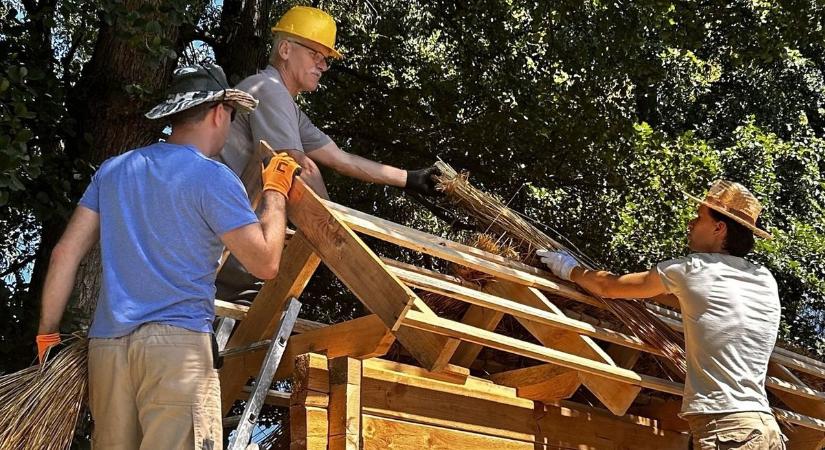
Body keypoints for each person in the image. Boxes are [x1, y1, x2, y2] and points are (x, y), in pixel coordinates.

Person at [35, 65, 301, 450]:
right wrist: (275, 192)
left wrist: (47, 335)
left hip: (108, 352)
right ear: (217, 112)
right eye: (230, 117)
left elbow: (64, 254)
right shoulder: (212, 177)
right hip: (177, 352)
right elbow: (265, 263)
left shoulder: (113, 171)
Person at [537, 180, 784, 450]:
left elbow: (608, 287)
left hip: (727, 428)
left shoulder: (693, 269)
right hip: (764, 428)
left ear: (718, 227)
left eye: (699, 217)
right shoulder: (763, 278)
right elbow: (699, 303)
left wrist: (569, 270)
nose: (690, 224)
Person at [217, 5, 441, 301]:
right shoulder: (268, 89)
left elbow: (340, 159)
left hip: (240, 248)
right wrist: (339, 238)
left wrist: (410, 179)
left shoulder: (288, 107)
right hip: (227, 249)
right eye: (315, 54)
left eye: (326, 59)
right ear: (285, 49)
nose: (322, 65)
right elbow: (297, 165)